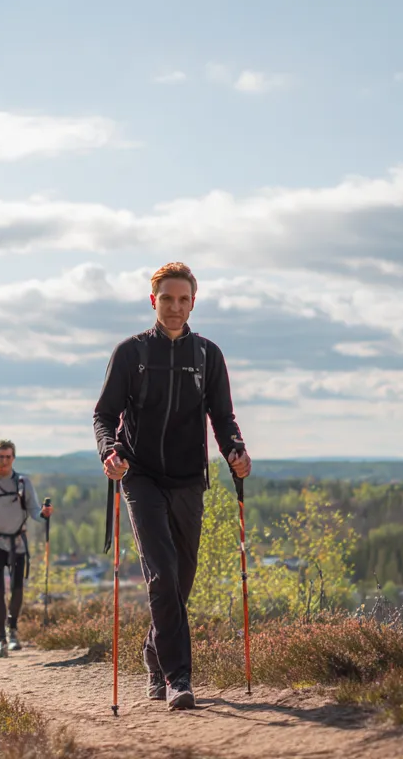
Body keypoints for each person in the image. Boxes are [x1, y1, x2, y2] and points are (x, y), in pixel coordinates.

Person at [92, 261, 251, 711]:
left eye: (183, 299)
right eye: (167, 299)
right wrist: (110, 451)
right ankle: (177, 677)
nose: (175, 307)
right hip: (139, 476)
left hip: (188, 480)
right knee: (161, 575)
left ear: (193, 302)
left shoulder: (207, 356)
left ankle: (152, 650)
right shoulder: (131, 354)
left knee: (181, 581)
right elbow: (104, 416)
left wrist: (235, 450)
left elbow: (223, 418)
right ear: (153, 301)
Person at [0, 439, 54, 658]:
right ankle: (1, 640)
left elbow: (33, 510)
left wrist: (43, 514)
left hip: (17, 542)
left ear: (13, 458)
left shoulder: (23, 483)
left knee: (17, 588)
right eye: (0, 456)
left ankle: (12, 630)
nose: (4, 461)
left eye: (8, 457)